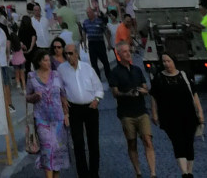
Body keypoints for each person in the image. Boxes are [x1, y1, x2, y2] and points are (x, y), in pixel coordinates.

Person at [150, 51, 204, 175]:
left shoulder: (184, 75)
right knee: (178, 143)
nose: (166, 64)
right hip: (170, 117)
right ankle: (184, 173)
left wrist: (200, 112)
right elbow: (154, 96)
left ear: (174, 62)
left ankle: (189, 172)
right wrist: (154, 113)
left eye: (168, 61)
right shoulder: (159, 78)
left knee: (189, 144)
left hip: (188, 115)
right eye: (164, 62)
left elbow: (194, 94)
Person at [107, 46, 156, 178]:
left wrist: (143, 91)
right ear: (119, 55)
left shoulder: (137, 70)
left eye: (129, 51)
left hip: (141, 110)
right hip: (126, 113)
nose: (128, 54)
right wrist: (127, 94)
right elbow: (114, 92)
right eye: (125, 52)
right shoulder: (115, 72)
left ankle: (153, 173)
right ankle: (138, 171)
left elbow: (146, 87)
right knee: (132, 142)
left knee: (147, 140)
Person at [58, 43, 102, 178]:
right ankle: (82, 174)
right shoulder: (61, 69)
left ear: (77, 53)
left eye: (70, 53)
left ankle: (94, 173)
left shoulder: (88, 68)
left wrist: (97, 100)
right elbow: (59, 88)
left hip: (90, 107)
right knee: (78, 143)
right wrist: (63, 98)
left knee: (93, 142)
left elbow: (98, 87)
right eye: (66, 54)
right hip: (74, 108)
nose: (68, 56)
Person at [25, 49, 70, 176]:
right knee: (47, 150)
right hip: (41, 119)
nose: (48, 62)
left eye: (49, 60)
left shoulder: (56, 75)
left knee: (57, 151)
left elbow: (63, 95)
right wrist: (34, 97)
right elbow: (27, 97)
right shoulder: (32, 76)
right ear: (39, 62)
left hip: (58, 119)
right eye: (45, 60)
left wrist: (66, 114)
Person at [81, 3, 112, 84]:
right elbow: (84, 32)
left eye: (89, 12)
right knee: (94, 63)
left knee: (105, 61)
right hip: (92, 44)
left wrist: (109, 43)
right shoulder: (86, 22)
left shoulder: (99, 21)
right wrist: (84, 43)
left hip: (100, 43)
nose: (88, 14)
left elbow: (105, 32)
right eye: (87, 13)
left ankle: (109, 77)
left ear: (93, 13)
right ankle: (98, 79)